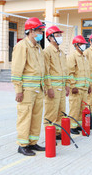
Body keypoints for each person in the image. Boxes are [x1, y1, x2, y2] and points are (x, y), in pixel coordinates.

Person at [11, 17, 46, 156]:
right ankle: (22, 145)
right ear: (31, 31)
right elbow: (16, 71)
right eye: (39, 30)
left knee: (36, 116)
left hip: (38, 88)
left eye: (41, 30)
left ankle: (32, 142)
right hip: (27, 90)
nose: (41, 33)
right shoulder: (22, 46)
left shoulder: (38, 47)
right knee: (25, 116)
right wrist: (18, 90)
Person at [43, 26, 70, 140]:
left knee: (61, 111)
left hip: (62, 87)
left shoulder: (61, 53)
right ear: (50, 37)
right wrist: (48, 88)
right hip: (53, 87)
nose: (60, 37)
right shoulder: (47, 52)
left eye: (60, 34)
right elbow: (46, 71)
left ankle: (58, 132)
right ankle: (50, 136)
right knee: (51, 113)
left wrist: (67, 85)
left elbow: (66, 70)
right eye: (57, 35)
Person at [67, 35, 91, 134]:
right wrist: (73, 86)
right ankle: (72, 126)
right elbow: (70, 72)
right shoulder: (72, 56)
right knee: (74, 108)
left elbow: (87, 72)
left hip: (84, 88)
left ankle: (78, 125)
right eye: (81, 44)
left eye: (84, 44)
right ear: (76, 45)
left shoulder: (84, 57)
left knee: (83, 108)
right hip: (76, 88)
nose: (83, 46)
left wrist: (88, 85)